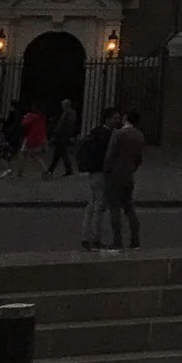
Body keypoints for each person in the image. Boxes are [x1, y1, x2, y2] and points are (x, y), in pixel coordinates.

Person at [103, 107, 144, 250]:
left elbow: (110, 156)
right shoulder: (139, 135)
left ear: (126, 117)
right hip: (128, 175)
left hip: (115, 174)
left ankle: (117, 241)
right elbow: (139, 158)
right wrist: (132, 168)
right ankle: (135, 240)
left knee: (114, 208)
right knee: (130, 209)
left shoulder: (118, 134)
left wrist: (106, 171)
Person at [76, 108, 117, 250]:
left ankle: (85, 237)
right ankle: (96, 239)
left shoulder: (94, 132)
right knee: (100, 206)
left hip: (92, 171)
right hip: (102, 172)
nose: (117, 121)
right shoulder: (108, 135)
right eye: (114, 118)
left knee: (91, 204)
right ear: (107, 119)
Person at [46, 99, 78, 177]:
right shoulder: (73, 113)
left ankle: (67, 170)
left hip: (62, 135)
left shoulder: (66, 113)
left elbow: (60, 124)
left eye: (63, 105)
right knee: (59, 153)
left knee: (61, 153)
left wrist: (55, 134)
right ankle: (51, 170)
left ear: (66, 105)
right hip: (66, 134)